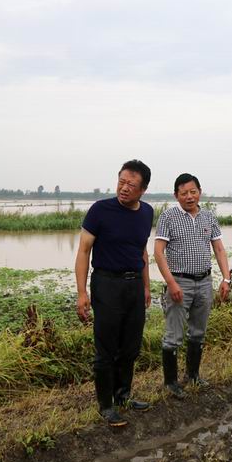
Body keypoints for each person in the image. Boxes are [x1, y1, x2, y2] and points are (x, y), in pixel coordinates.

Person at [75, 160, 154, 427]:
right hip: (107, 283)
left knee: (130, 346)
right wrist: (82, 292)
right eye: (121, 182)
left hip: (134, 285)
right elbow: (83, 251)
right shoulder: (100, 210)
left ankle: (123, 396)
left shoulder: (147, 212)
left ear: (143, 189)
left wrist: (146, 286)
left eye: (131, 184)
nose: (124, 188)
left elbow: (142, 252)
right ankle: (106, 405)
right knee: (106, 347)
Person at [154, 173, 232, 398]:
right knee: (174, 334)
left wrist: (226, 278)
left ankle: (193, 375)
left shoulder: (208, 216)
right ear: (176, 195)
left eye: (193, 192)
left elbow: (219, 249)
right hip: (179, 282)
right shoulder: (168, 217)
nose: (189, 197)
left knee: (198, 331)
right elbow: (158, 253)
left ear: (200, 192)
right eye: (184, 193)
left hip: (205, 282)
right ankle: (170, 382)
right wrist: (171, 283)